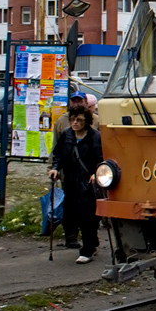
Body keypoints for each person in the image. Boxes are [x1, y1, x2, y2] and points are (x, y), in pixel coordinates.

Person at [48, 105, 103, 263]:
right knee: (71, 215)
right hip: (71, 181)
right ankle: (90, 242)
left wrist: (96, 173)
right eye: (72, 119)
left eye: (79, 120)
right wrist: (55, 169)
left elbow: (101, 158)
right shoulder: (67, 135)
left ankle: (87, 250)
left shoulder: (95, 137)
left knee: (88, 216)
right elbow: (58, 154)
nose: (75, 123)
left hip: (88, 182)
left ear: (86, 121)